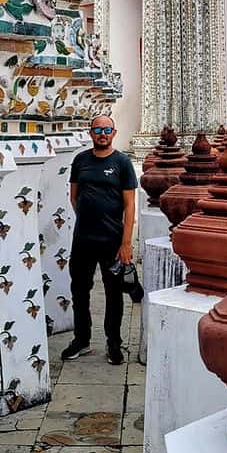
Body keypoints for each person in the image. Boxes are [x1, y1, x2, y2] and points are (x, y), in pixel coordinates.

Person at [62, 114, 138, 365]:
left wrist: (126, 243)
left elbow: (129, 205)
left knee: (113, 294)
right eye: (98, 129)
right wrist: (88, 217)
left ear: (113, 133)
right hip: (83, 239)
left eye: (107, 129)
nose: (102, 133)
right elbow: (74, 197)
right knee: (80, 291)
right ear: (90, 133)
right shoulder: (81, 161)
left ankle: (113, 343)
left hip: (112, 241)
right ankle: (81, 340)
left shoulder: (122, 162)